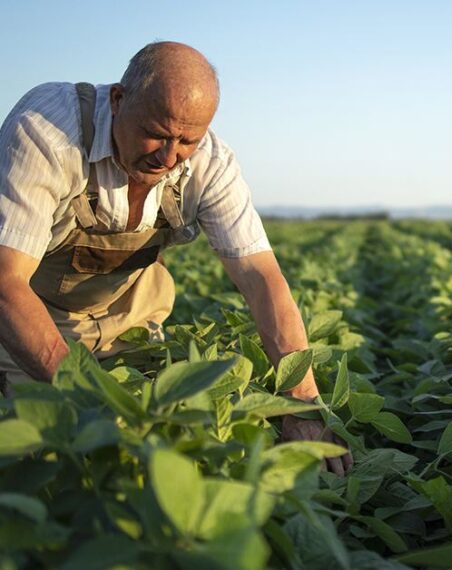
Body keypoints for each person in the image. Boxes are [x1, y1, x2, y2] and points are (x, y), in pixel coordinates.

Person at [0, 41, 352, 475]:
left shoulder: (211, 163)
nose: (169, 157)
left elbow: (261, 278)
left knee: (163, 455)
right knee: (49, 464)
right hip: (31, 320)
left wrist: (301, 405)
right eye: (157, 132)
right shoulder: (47, 130)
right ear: (118, 99)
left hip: (130, 317)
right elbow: (5, 283)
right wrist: (95, 403)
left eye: (187, 140)